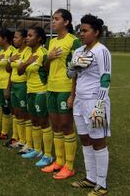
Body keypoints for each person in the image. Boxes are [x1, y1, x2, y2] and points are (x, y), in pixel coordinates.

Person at [69, 14, 111, 196]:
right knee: (85, 139)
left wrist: (99, 105)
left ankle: (101, 185)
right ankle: (90, 178)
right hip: (79, 102)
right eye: (80, 30)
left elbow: (106, 78)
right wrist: (73, 66)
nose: (81, 33)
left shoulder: (102, 51)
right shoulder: (78, 51)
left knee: (98, 141)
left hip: (96, 102)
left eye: (85, 31)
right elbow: (71, 75)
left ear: (96, 32)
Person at [41, 9, 81, 178]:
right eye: (53, 19)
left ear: (66, 22)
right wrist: (48, 58)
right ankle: (58, 162)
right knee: (55, 126)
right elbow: (45, 68)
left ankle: (69, 166)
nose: (53, 22)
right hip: (51, 88)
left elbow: (78, 71)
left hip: (65, 89)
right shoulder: (51, 42)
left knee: (66, 126)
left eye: (56, 19)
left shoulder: (74, 42)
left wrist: (73, 94)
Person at [18, 27, 49, 161]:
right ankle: (37, 150)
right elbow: (19, 71)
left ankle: (48, 155)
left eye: (30, 36)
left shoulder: (43, 53)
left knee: (44, 122)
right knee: (34, 121)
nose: (27, 38)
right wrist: (26, 62)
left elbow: (49, 72)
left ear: (39, 39)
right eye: (27, 35)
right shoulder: (27, 53)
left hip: (41, 91)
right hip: (29, 90)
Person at [4, 29, 33, 151]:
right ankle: (21, 140)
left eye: (16, 37)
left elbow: (26, 69)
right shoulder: (14, 52)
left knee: (25, 114)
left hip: (23, 85)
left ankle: (28, 142)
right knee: (17, 113)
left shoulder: (28, 51)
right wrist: (10, 60)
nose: (14, 40)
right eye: (14, 37)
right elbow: (8, 70)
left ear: (23, 38)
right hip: (14, 85)